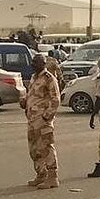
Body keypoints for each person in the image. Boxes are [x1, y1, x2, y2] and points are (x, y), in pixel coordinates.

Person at [20, 53, 61, 189]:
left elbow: (56, 99)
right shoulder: (34, 77)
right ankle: (41, 174)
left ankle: (52, 177)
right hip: (32, 119)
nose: (33, 65)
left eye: (36, 62)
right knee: (34, 149)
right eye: (33, 62)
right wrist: (24, 102)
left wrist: (47, 116)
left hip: (42, 119)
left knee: (46, 147)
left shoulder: (49, 78)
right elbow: (32, 95)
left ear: (43, 64)